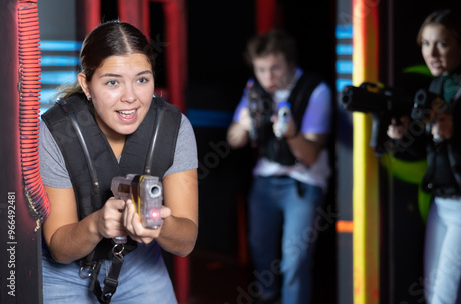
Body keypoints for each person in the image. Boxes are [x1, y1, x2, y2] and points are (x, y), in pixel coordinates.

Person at [39, 21, 198, 303]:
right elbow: (59, 249)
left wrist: (160, 222)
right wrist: (98, 225)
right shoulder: (55, 131)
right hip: (63, 271)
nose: (130, 97)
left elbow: (185, 242)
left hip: (136, 262)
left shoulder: (174, 128)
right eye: (112, 82)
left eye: (142, 79)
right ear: (86, 84)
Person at [388, 9, 461, 304]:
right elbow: (431, 151)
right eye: (425, 43)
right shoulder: (437, 84)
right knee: (434, 296)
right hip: (441, 206)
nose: (431, 53)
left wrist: (452, 137)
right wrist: (403, 138)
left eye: (442, 44)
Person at [227, 30, 332, 304]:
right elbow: (233, 139)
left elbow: (310, 155)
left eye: (275, 68)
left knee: (295, 260)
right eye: (261, 69)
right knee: (260, 250)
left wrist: (292, 134)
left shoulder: (316, 90)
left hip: (303, 181)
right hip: (266, 178)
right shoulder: (254, 89)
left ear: (290, 64)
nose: (268, 77)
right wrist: (243, 125)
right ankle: (268, 296)